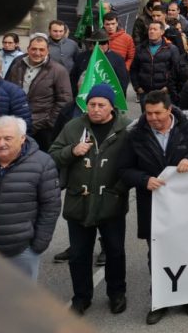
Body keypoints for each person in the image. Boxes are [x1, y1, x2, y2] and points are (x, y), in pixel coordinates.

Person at [117, 90, 188, 323]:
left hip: (185, 204)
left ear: (169, 110)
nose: (153, 118)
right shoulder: (135, 135)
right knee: (157, 253)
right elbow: (124, 170)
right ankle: (160, 299)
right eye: (148, 113)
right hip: (153, 205)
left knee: (186, 249)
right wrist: (143, 180)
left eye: (158, 113)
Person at [49, 84, 131, 316]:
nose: (95, 109)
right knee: (78, 254)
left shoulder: (125, 129)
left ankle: (117, 293)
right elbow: (53, 154)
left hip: (111, 202)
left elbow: (135, 160)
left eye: (100, 105)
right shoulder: (74, 126)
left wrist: (119, 189)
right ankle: (81, 297)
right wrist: (71, 151)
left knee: (115, 251)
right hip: (79, 202)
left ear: (111, 107)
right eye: (91, 104)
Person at [0, 115, 60, 281]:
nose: (0, 143)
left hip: (21, 251)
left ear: (22, 139)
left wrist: (38, 244)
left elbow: (51, 206)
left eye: (7, 138)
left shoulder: (42, 163)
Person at [6, 34, 72, 151]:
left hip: (42, 129)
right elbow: (8, 90)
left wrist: (48, 122)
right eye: (34, 49)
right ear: (28, 49)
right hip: (16, 124)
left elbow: (64, 100)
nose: (37, 53)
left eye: (41, 49)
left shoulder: (58, 70)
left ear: (48, 51)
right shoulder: (17, 66)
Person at [130, 22, 179, 101]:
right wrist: (137, 87)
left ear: (162, 32)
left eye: (155, 29)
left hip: (163, 91)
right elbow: (134, 69)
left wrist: (168, 87)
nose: (151, 31)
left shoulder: (171, 49)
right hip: (145, 91)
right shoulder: (140, 48)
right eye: (150, 29)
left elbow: (176, 70)